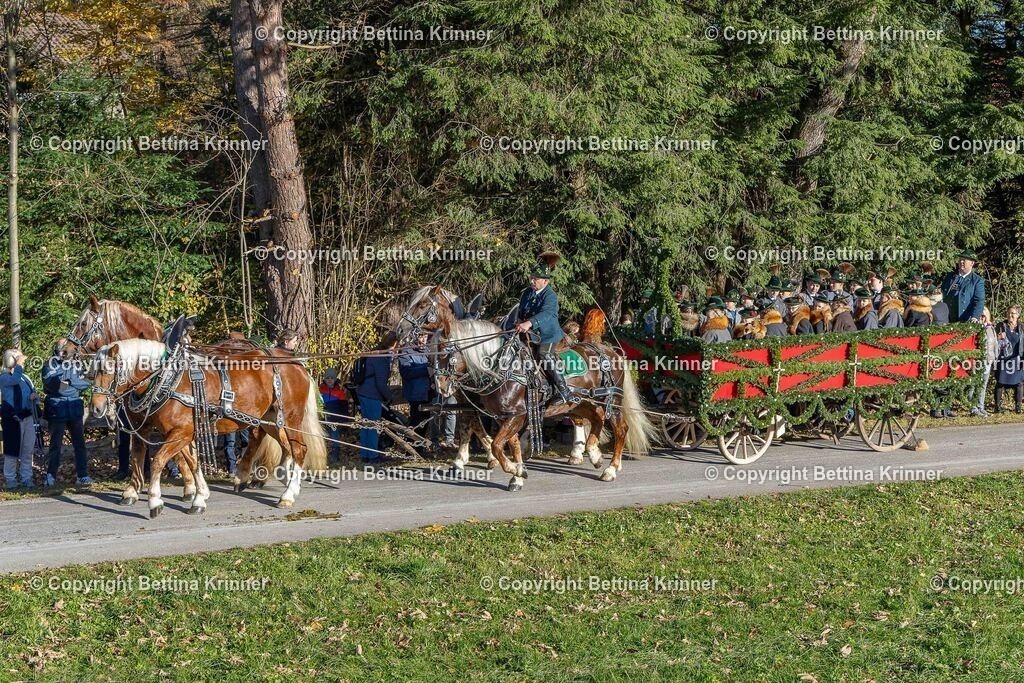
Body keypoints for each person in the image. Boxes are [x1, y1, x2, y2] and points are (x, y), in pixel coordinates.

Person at [514, 251, 573, 405]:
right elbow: (521, 310)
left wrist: (529, 323)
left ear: (545, 281)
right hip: (529, 334)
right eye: (531, 277)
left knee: (543, 354)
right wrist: (519, 321)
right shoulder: (527, 293)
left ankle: (564, 390)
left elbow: (548, 314)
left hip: (548, 335)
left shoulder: (550, 296)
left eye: (536, 278)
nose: (532, 281)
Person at [41, 344, 92, 486]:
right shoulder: (49, 365)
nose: (65, 352)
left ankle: (82, 475)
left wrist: (69, 381)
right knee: (55, 445)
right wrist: (72, 385)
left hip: (74, 409)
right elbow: (56, 388)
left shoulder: (77, 365)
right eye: (62, 349)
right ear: (56, 350)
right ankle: (51, 475)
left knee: (80, 445)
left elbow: (86, 383)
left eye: (67, 350)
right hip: (57, 410)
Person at [357, 334, 396, 462]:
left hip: (363, 392)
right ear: (393, 345)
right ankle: (373, 456)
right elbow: (381, 383)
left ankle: (365, 455)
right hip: (372, 395)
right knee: (373, 426)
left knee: (365, 425)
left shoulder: (374, 353)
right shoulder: (381, 359)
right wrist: (389, 396)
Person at [2, 349, 38, 489]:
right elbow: (14, 380)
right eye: (20, 359)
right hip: (12, 419)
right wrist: (19, 365)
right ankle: (10, 479)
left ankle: (26, 477)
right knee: (12, 451)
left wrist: (33, 397)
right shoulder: (4, 377)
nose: (23, 361)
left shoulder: (25, 377)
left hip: (27, 416)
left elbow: (31, 392)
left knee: (27, 450)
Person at [398, 332, 431, 439]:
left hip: (428, 393)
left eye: (425, 336)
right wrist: (426, 369)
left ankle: (420, 445)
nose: (424, 340)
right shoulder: (406, 351)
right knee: (416, 422)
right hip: (415, 393)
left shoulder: (429, 351)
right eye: (421, 336)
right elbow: (406, 372)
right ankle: (411, 445)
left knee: (425, 422)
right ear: (414, 336)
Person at [941, 249, 985, 323]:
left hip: (964, 320)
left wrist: (975, 317)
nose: (961, 262)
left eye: (964, 260)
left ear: (972, 263)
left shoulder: (977, 281)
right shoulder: (950, 276)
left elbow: (979, 301)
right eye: (960, 259)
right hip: (946, 318)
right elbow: (942, 293)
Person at [995, 305, 1024, 414]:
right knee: (1000, 382)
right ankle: (997, 407)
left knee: (1019, 384)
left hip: (1017, 359)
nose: (1010, 315)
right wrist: (998, 337)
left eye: (1013, 313)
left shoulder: (1022, 327)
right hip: (1003, 359)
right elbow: (992, 340)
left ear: (1018, 315)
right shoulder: (1000, 326)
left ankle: (1018, 407)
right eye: (1008, 313)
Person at [319, 367, 348, 464]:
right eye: (327, 378)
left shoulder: (339, 392)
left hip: (335, 418)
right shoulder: (321, 390)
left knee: (335, 436)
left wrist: (344, 419)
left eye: (331, 378)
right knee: (324, 436)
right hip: (323, 418)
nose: (329, 380)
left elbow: (344, 407)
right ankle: (323, 454)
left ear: (335, 379)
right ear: (324, 379)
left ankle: (335, 453)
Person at [972, 307, 998, 417]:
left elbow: (995, 344)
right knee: (974, 385)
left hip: (988, 361)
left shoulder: (991, 329)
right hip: (977, 361)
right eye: (980, 316)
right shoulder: (975, 328)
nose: (982, 318)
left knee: (983, 385)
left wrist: (995, 359)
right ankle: (973, 408)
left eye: (984, 316)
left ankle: (980, 407)